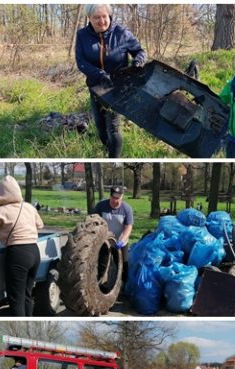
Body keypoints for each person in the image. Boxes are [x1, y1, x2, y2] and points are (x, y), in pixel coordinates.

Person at [75, 4, 146, 158]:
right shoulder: (82, 35)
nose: (101, 21)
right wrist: (99, 74)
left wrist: (138, 61)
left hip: (118, 88)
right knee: (100, 127)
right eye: (96, 17)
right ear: (89, 19)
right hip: (96, 87)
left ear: (109, 16)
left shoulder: (122, 33)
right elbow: (81, 61)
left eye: (104, 16)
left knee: (113, 127)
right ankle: (108, 149)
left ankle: (114, 158)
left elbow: (139, 51)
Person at [0, 175, 44, 316]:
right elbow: (40, 226)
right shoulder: (29, 207)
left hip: (17, 254)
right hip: (35, 252)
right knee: (27, 294)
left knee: (16, 299)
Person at [90, 185, 133, 250]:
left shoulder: (127, 209)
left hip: (120, 241)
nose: (115, 200)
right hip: (104, 241)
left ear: (122, 197)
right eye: (113, 198)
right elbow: (93, 222)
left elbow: (128, 227)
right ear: (110, 196)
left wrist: (122, 241)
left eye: (117, 198)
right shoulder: (101, 206)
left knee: (124, 260)